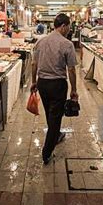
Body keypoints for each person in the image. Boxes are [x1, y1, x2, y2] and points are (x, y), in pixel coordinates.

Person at [31, 13, 78, 165]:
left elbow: (34, 64)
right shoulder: (67, 44)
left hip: (42, 83)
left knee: (50, 113)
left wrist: (33, 82)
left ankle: (55, 134)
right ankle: (46, 152)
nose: (69, 30)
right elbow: (71, 69)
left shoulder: (40, 41)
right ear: (63, 26)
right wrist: (74, 89)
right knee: (55, 117)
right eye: (68, 27)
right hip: (58, 84)